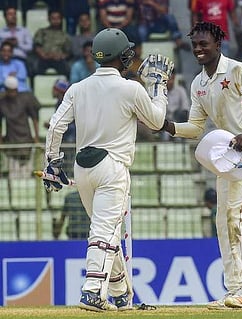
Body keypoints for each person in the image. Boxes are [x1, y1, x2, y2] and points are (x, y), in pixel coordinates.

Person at [42, 27, 173, 312]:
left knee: (107, 231)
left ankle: (122, 295)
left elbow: (55, 126)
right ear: (121, 56)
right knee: (104, 230)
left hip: (82, 168)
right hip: (112, 166)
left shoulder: (77, 88)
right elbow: (156, 121)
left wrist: (51, 163)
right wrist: (159, 88)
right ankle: (91, 292)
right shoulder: (131, 88)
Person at [160, 21, 242, 309]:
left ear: (218, 44)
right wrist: (164, 125)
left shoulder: (238, 71)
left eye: (204, 44)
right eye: (195, 44)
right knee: (223, 219)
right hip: (229, 154)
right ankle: (234, 288)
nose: (199, 49)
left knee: (237, 214)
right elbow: (195, 127)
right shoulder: (199, 83)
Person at [0, 75, 40, 179]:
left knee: (26, 174)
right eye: (10, 91)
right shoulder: (2, 101)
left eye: (14, 90)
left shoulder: (26, 98)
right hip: (11, 140)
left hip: (26, 138)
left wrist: (36, 137)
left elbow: (34, 118)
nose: (12, 93)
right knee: (13, 175)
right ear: (6, 90)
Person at [32, 9, 71, 77]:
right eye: (53, 18)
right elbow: (37, 47)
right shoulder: (41, 32)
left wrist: (61, 56)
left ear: (61, 19)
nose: (55, 21)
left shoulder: (65, 35)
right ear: (49, 19)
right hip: (43, 59)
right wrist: (43, 55)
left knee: (66, 69)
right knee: (35, 68)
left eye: (58, 18)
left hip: (58, 60)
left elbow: (68, 52)